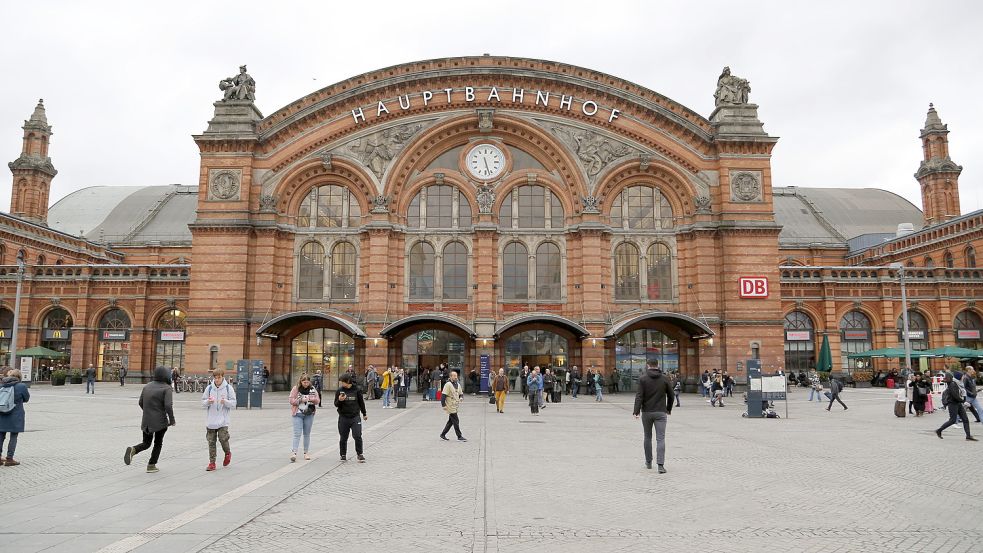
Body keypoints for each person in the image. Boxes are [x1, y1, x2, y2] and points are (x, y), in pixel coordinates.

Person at [123, 367, 176, 473]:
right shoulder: (167, 388)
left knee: (146, 443)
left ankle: (134, 449)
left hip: (147, 420)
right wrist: (172, 420)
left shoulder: (147, 386)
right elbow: (168, 406)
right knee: (158, 443)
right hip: (161, 421)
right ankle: (151, 465)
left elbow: (140, 402)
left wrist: (148, 412)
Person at [633, 360, 673, 473]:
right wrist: (668, 409)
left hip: (646, 412)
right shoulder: (665, 378)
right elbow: (671, 395)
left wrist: (636, 411)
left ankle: (648, 462)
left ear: (648, 366)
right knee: (660, 438)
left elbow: (639, 396)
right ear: (658, 365)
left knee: (647, 437)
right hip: (660, 412)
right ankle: (660, 465)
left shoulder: (642, 378)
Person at [201, 368, 236, 471]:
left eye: (219, 377)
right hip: (211, 421)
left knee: (223, 439)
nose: (217, 380)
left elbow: (234, 403)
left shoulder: (228, 388)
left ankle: (227, 453)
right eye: (215, 378)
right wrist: (208, 401)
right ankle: (212, 463)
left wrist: (225, 401)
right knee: (211, 442)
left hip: (223, 420)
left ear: (222, 377)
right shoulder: (209, 389)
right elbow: (203, 402)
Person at [334, 373, 367, 462]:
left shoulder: (357, 390)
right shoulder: (340, 390)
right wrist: (340, 400)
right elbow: (336, 404)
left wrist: (364, 413)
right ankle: (343, 454)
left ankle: (360, 454)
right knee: (343, 437)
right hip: (343, 417)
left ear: (348, 381)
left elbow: (361, 402)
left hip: (355, 416)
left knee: (357, 435)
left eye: (342, 382)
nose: (341, 384)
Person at [0, 369, 30, 466]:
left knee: (1, 436)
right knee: (13, 436)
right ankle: (9, 458)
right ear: (19, 377)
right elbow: (26, 398)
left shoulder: (1, 384)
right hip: (15, 414)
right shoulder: (21, 386)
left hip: (1, 413)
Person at [936, 371, 977, 441]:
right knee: (952, 420)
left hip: (957, 403)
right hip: (952, 404)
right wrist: (963, 401)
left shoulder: (954, 383)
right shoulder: (952, 384)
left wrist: (962, 401)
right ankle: (939, 430)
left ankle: (968, 436)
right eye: (962, 376)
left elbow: (958, 394)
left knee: (965, 419)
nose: (963, 377)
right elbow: (955, 395)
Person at [289, 374, 320, 461]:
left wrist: (311, 399)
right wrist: (300, 400)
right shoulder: (296, 389)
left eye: (307, 382)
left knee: (307, 434)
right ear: (301, 381)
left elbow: (318, 400)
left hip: (309, 413)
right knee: (297, 434)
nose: (306, 384)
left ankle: (306, 453)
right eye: (304, 382)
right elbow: (291, 400)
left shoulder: (312, 389)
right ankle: (294, 452)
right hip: (298, 413)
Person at [440, 370, 466, 441]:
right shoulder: (448, 385)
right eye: (454, 376)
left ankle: (443, 434)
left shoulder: (458, 384)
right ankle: (459, 436)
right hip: (450, 406)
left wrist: (461, 397)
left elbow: (461, 393)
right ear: (450, 377)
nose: (455, 377)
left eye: (456, 376)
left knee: (451, 421)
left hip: (455, 406)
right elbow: (443, 396)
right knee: (456, 420)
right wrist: (443, 405)